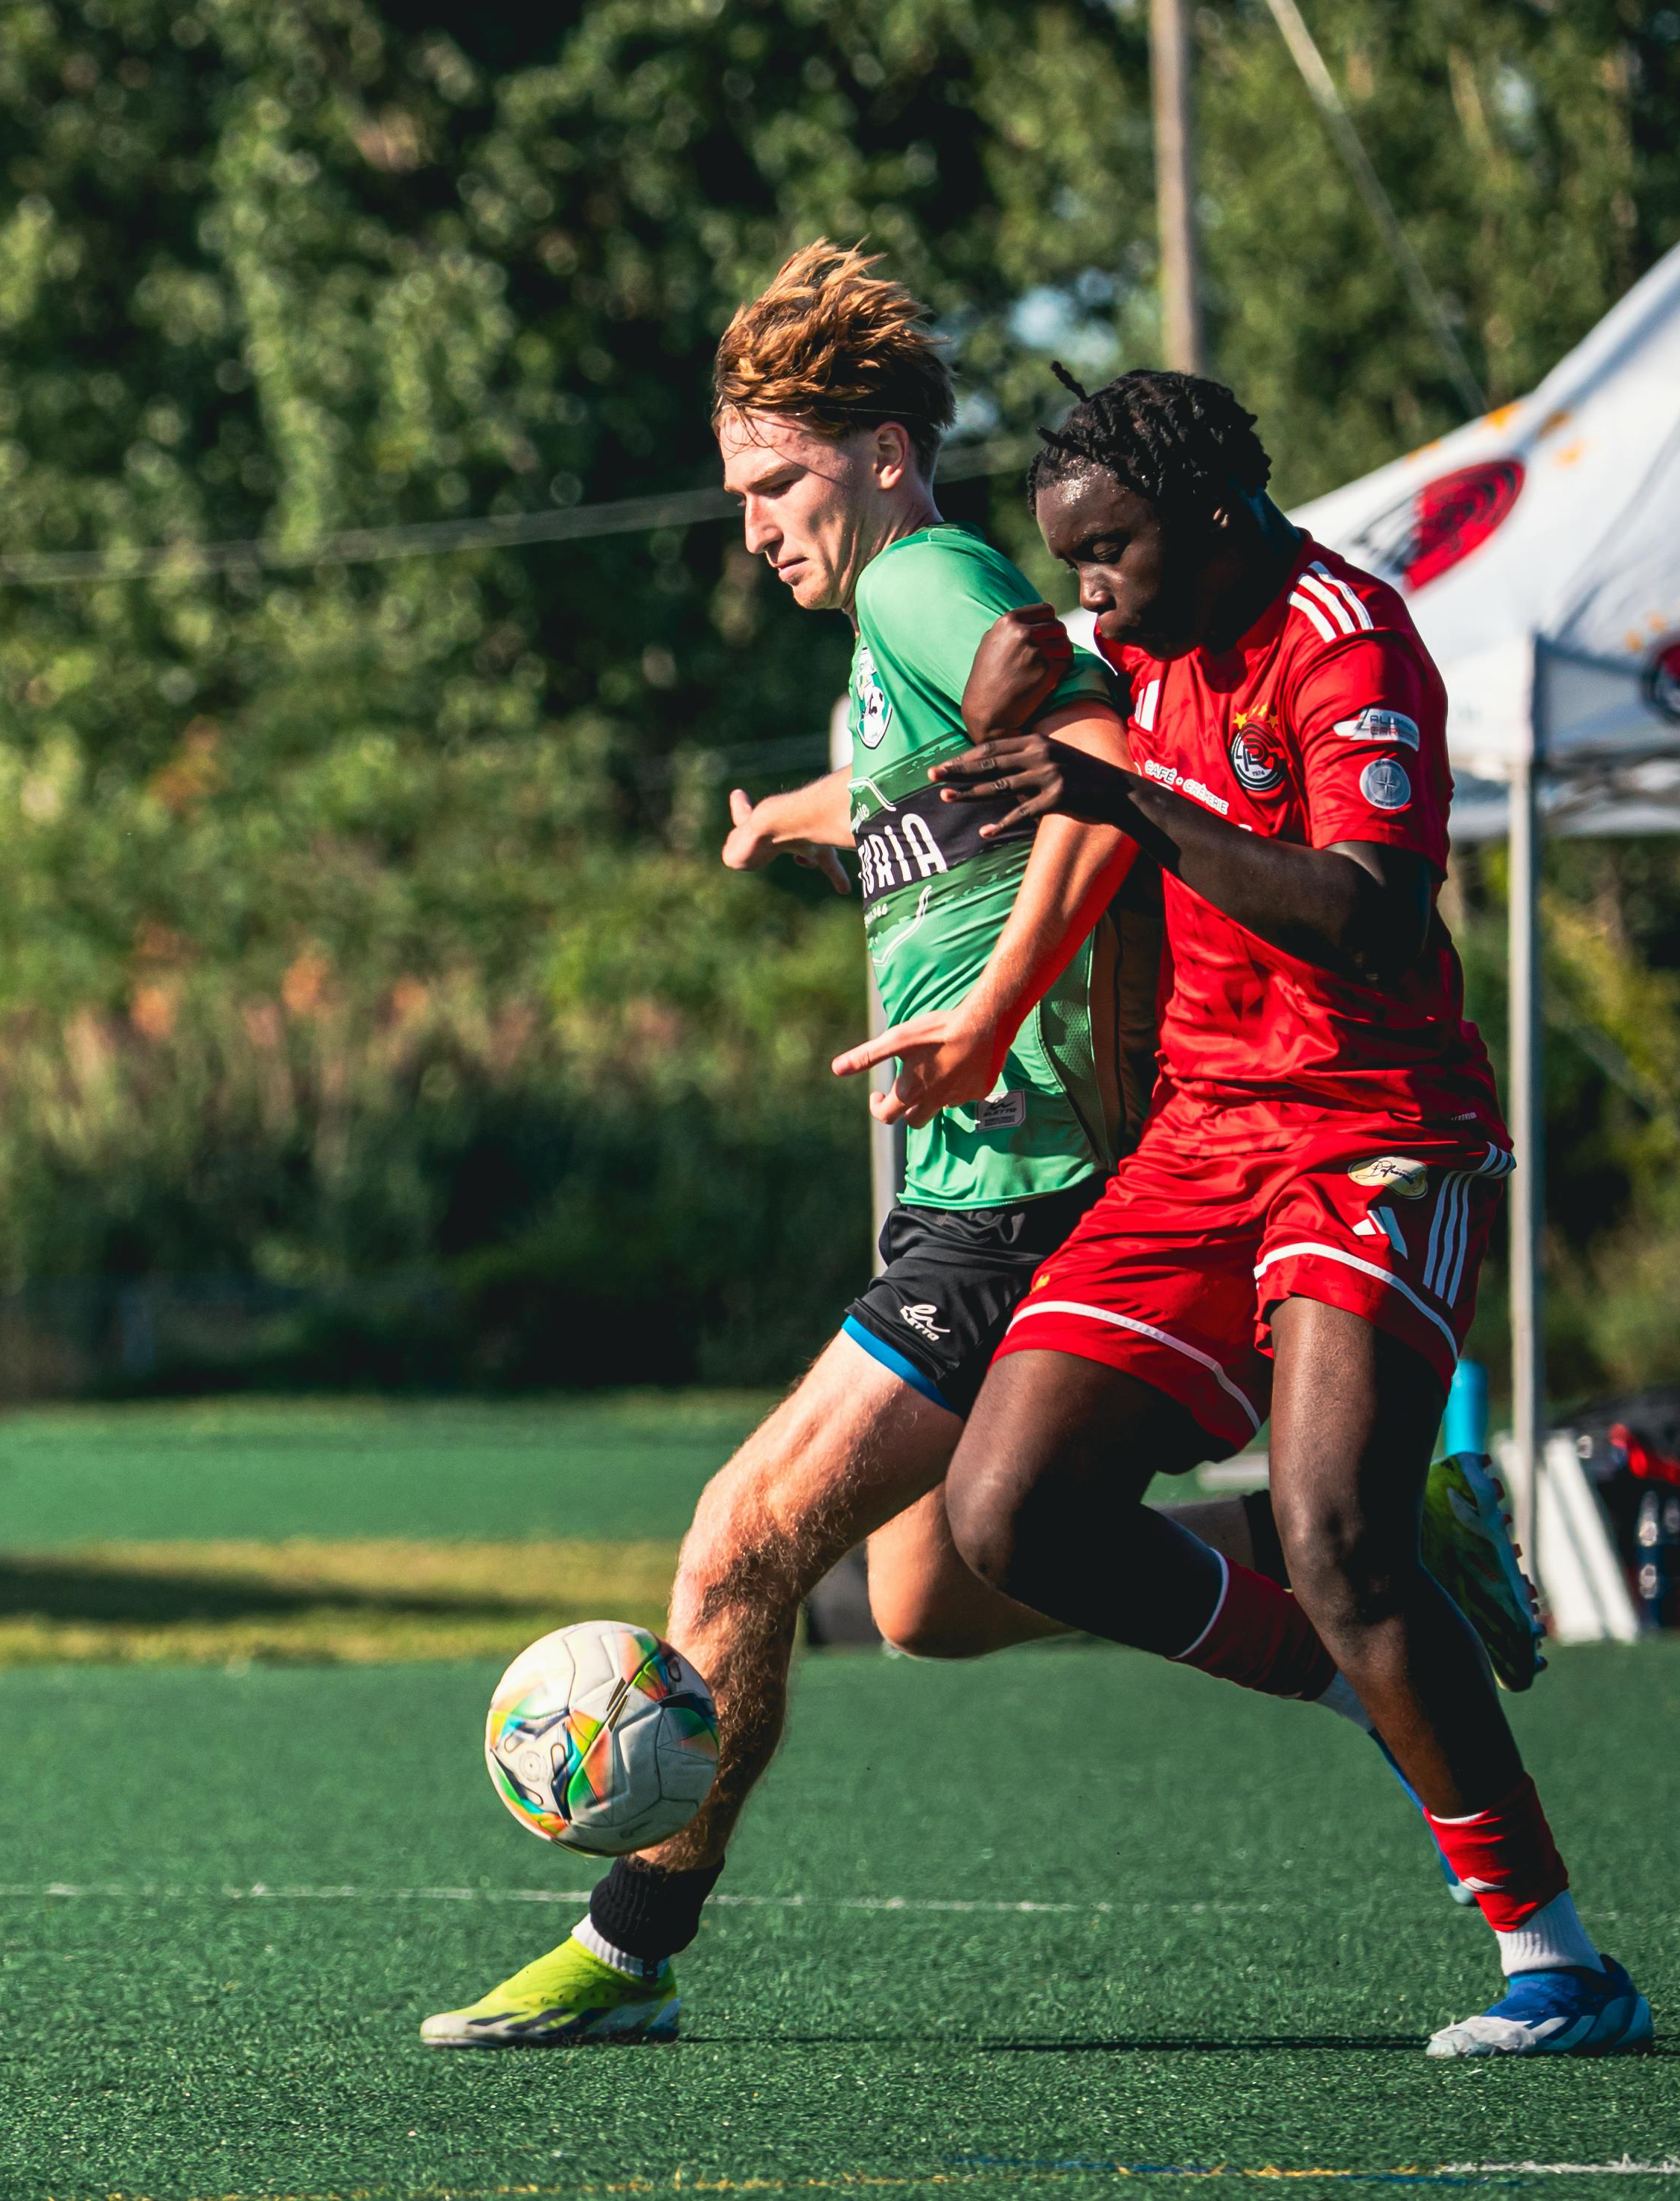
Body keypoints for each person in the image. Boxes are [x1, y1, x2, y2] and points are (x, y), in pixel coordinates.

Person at [416, 249, 1542, 2051]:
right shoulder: (887, 640)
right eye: (741, 498)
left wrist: (995, 1009)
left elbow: (1095, 755)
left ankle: (626, 1946)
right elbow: (948, 776)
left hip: (1030, 1194)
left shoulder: (930, 578)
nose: (758, 533)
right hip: (974, 1192)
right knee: (928, 1594)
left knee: (734, 1545)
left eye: (777, 489)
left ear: (876, 454)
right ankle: (1335, 1565)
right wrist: (800, 813)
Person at [925, 365, 1648, 2057]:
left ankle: (1554, 1958)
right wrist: (978, 719)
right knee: (1008, 1514)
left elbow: (1373, 919)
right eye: (1068, 557)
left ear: (1214, 516)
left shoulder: (1345, 637)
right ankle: (1366, 1664)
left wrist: (1131, 801)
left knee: (1333, 1531)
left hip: (1375, 1135)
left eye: (1109, 551)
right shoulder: (1143, 644)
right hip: (1203, 1134)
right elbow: (1001, 760)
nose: (1089, 586)